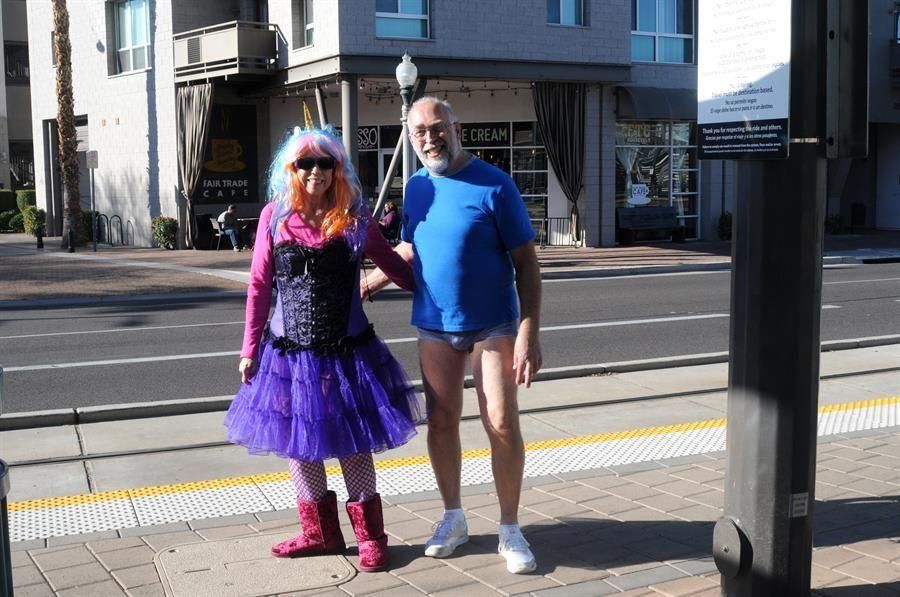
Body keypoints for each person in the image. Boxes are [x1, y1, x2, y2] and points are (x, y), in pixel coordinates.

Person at [225, 126, 424, 573]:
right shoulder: (274, 217)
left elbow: (390, 263)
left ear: (338, 169)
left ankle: (371, 536)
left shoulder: (354, 217)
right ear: (291, 170)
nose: (316, 171)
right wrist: (248, 349)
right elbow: (260, 286)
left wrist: (430, 292)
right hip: (289, 354)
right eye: (306, 163)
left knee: (353, 441)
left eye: (325, 163)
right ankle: (320, 533)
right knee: (301, 443)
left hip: (347, 350)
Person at [363, 97, 543, 574]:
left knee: (501, 423)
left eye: (437, 127)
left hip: (493, 324)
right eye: (419, 131)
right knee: (441, 422)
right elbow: (411, 244)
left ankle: (509, 527)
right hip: (434, 324)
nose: (429, 137)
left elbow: (527, 263)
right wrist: (371, 281)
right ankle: (454, 517)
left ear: (455, 127)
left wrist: (528, 332)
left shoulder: (495, 185)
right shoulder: (418, 185)